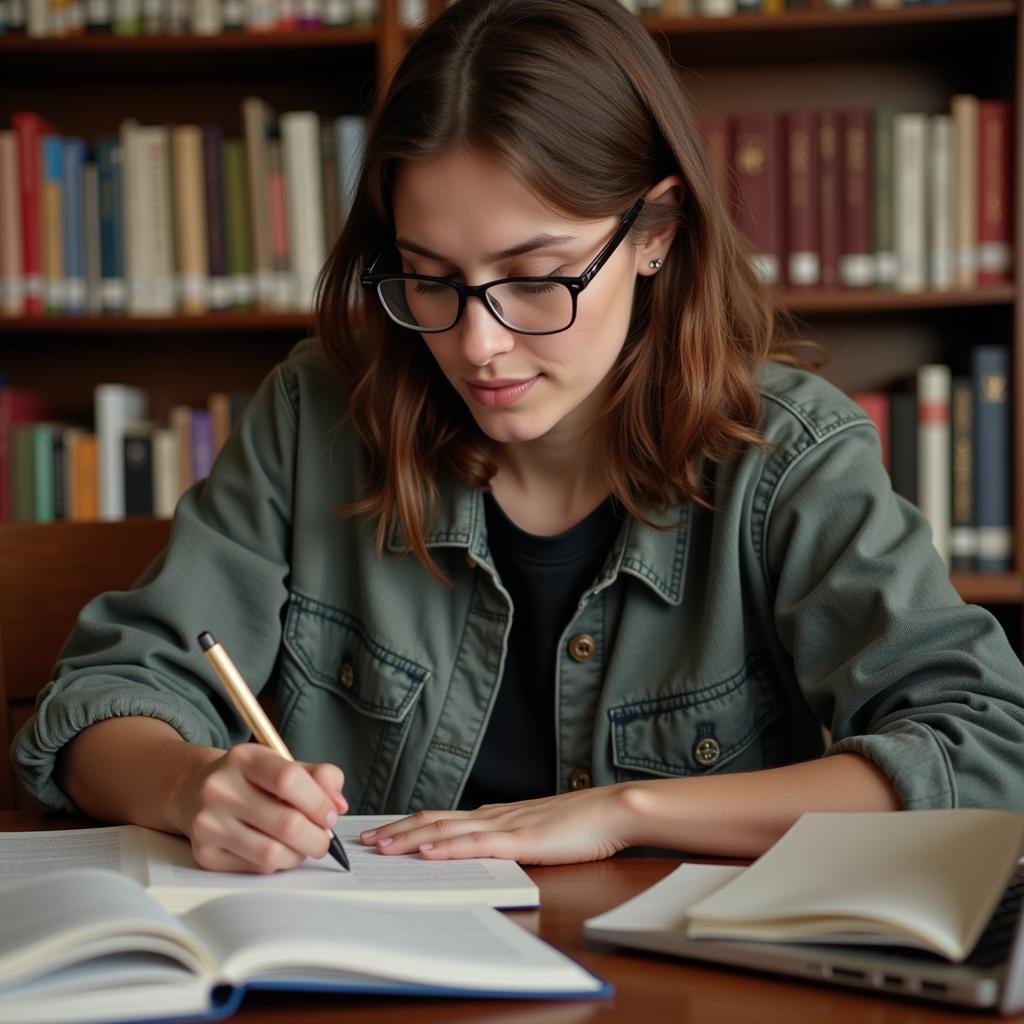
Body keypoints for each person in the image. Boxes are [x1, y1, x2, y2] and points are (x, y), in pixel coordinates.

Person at [12, 0, 1024, 874]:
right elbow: (109, 695)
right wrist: (193, 784)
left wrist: (627, 811)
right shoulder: (318, 410)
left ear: (656, 232)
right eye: (431, 278)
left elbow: (987, 750)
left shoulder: (788, 455)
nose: (478, 343)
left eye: (536, 276)